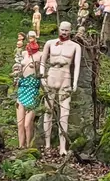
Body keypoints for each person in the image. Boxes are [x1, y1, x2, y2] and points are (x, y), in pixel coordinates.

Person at [40, 20, 82, 156]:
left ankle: (62, 146)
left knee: (65, 113)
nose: (64, 32)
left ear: (70, 31)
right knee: (48, 110)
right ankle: (47, 144)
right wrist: (42, 76)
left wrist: (75, 82)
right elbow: (42, 61)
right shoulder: (50, 43)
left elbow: (76, 65)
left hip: (65, 77)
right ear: (59, 29)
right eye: (62, 29)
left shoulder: (75, 46)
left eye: (66, 30)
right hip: (51, 75)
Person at [12, 30, 42, 149]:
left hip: (33, 89)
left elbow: (43, 70)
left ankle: (30, 146)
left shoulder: (40, 55)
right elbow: (17, 68)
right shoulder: (24, 53)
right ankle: (21, 146)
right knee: (20, 124)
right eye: (29, 37)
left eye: (33, 37)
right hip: (22, 88)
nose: (31, 39)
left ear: (36, 38)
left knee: (27, 124)